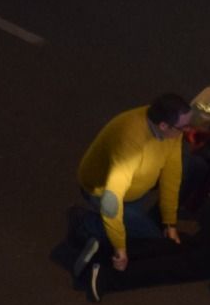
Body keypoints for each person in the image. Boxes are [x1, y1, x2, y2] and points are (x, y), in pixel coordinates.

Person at [73, 93, 192, 287]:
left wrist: (169, 221)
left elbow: (172, 173)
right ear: (164, 126)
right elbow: (111, 201)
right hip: (102, 191)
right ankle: (84, 222)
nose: (188, 130)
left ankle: (108, 230)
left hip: (133, 191)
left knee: (143, 230)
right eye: (184, 127)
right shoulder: (130, 142)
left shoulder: (172, 131)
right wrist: (120, 249)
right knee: (148, 235)